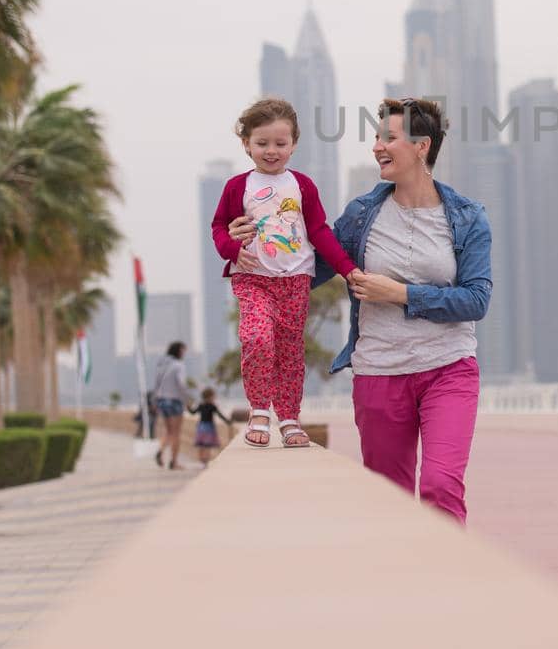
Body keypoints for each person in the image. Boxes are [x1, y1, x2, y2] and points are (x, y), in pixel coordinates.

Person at [239, 97, 491, 524]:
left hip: (448, 369)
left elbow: (476, 300)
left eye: (388, 138)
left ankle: (444, 586)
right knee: (387, 503)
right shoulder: (361, 215)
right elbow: (306, 270)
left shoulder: (466, 217)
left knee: (440, 487)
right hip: (379, 373)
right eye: (376, 137)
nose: (376, 146)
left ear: (421, 146)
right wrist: (248, 248)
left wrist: (403, 294)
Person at [212, 97, 360, 448]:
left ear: (294, 144)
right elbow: (219, 227)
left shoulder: (303, 186)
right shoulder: (237, 186)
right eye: (262, 143)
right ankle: (259, 409)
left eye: (280, 143)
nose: (271, 151)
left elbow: (319, 231)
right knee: (257, 338)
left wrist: (347, 269)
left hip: (295, 279)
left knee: (291, 352)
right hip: (252, 277)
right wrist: (233, 250)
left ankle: (290, 418)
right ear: (246, 144)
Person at [153, 341, 192, 469]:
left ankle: (160, 450)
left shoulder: (162, 365)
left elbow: (156, 385)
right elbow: (181, 384)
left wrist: (155, 401)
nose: (184, 353)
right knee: (176, 433)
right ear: (179, 351)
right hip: (175, 401)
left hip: (162, 400)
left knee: (169, 431)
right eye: (183, 350)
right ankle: (174, 462)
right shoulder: (179, 365)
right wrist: (187, 399)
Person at [189, 387, 233, 467]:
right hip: (209, 427)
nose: (214, 398)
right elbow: (220, 415)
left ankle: (201, 460)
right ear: (210, 397)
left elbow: (193, 412)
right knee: (207, 445)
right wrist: (228, 421)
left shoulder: (201, 405)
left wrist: (188, 407)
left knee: (201, 445)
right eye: (213, 396)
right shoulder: (212, 406)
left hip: (201, 427)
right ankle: (205, 462)